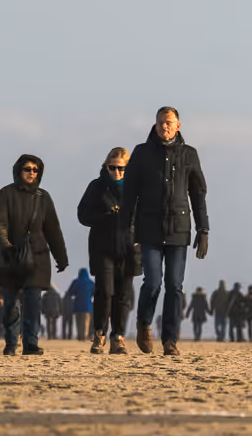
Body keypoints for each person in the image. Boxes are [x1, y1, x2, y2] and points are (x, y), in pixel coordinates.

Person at [121, 106, 208, 356]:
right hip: (149, 228)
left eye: (169, 123)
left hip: (179, 229)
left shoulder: (189, 154)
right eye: (161, 123)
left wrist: (204, 229)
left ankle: (170, 340)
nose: (165, 126)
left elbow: (198, 194)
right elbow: (129, 194)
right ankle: (144, 324)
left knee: (175, 285)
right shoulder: (142, 152)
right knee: (153, 283)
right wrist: (124, 229)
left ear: (178, 125)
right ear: (155, 125)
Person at [0, 154, 69, 355]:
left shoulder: (43, 197)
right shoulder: (5, 193)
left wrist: (61, 257)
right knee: (10, 304)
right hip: (10, 256)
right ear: (18, 171)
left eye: (36, 170)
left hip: (37, 257)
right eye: (28, 169)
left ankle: (31, 343)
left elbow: (53, 229)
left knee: (33, 302)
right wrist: (5, 247)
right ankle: (10, 342)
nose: (32, 173)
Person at [77, 148, 136, 353]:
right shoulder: (96, 187)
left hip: (129, 247)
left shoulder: (137, 187)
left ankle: (118, 337)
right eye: (113, 167)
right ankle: (99, 333)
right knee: (105, 291)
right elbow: (82, 215)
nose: (117, 172)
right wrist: (105, 215)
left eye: (122, 168)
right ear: (106, 166)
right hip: (103, 247)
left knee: (123, 295)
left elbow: (149, 215)